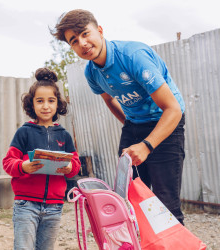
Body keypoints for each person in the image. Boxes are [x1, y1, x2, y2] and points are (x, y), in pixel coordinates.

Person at [51, 9, 186, 224]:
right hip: (135, 126)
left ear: (100, 31)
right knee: (131, 197)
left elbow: (174, 109)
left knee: (166, 204)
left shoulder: (133, 56)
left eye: (85, 34)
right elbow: (108, 100)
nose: (82, 43)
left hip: (165, 121)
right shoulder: (92, 72)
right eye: (74, 41)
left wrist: (146, 145)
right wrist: (131, 126)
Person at [2, 67, 81, 249]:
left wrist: (70, 168)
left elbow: (75, 165)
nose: (46, 106)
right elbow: (8, 163)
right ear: (32, 104)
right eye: (40, 101)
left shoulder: (64, 135)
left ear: (57, 104)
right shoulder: (24, 132)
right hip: (26, 204)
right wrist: (23, 166)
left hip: (54, 206)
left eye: (51, 101)